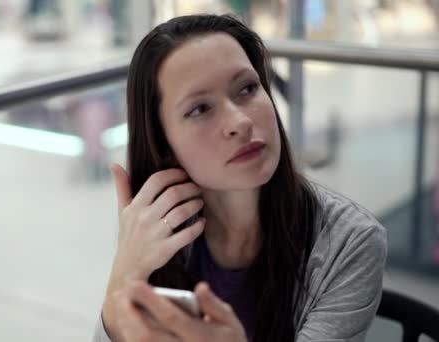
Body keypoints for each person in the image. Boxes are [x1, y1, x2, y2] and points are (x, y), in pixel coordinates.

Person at [92, 14, 387, 342]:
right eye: (200, 108)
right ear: (165, 145)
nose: (240, 121)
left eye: (247, 88)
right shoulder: (157, 232)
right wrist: (123, 277)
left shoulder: (351, 242)